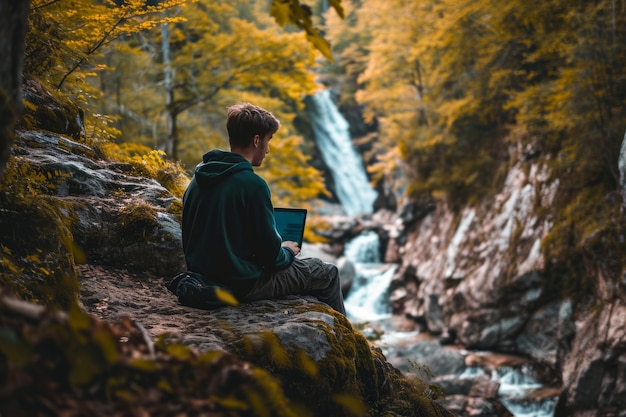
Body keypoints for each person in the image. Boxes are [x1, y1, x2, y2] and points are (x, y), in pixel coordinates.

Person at [181, 102, 346, 315]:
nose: (267, 149)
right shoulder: (253, 185)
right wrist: (286, 249)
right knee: (328, 272)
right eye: (268, 140)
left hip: (201, 279)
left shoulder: (197, 179)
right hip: (242, 285)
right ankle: (347, 342)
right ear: (256, 140)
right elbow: (273, 258)